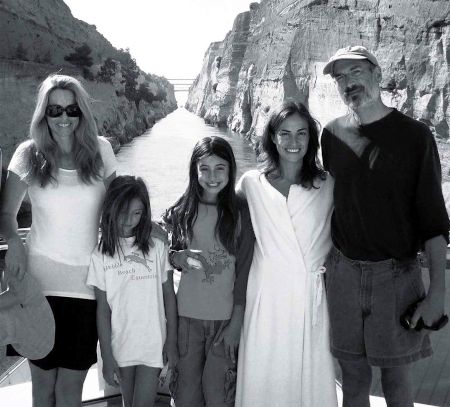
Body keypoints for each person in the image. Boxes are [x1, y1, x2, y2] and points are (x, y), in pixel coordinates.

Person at [321, 45, 449, 407]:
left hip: (396, 276)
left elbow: (434, 221)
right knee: (353, 377)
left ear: (378, 74)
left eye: (356, 72)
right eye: (340, 77)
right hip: (343, 274)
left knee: (396, 379)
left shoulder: (415, 137)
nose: (348, 83)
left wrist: (436, 295)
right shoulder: (331, 134)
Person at [0, 74, 116, 407]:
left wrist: (151, 229)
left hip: (86, 287)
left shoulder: (101, 150)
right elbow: (6, 214)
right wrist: (15, 243)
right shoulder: (28, 154)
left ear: (82, 112)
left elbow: (121, 206)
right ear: (44, 114)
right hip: (38, 289)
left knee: (69, 391)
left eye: (71, 109)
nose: (63, 117)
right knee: (43, 390)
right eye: (54, 110)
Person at [235, 101, 337, 407]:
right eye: (285, 133)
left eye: (301, 133)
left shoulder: (327, 185)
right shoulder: (252, 184)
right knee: (265, 375)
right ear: (272, 137)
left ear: (311, 138)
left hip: (309, 297)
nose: (294, 141)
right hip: (265, 297)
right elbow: (214, 207)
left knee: (309, 381)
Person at [162, 136, 254, 407]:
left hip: (224, 323)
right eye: (204, 169)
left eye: (219, 168)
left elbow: (244, 273)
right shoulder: (183, 210)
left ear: (231, 169)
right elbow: (168, 256)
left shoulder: (241, 212)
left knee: (218, 395)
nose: (212, 177)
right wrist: (176, 258)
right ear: (195, 170)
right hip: (186, 320)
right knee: (186, 396)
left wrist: (236, 324)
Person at [86, 175, 178, 407]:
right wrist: (106, 355)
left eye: (137, 213)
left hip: (153, 343)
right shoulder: (100, 255)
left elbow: (169, 296)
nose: (129, 220)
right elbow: (103, 310)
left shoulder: (157, 247)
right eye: (123, 212)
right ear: (111, 208)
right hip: (120, 345)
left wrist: (172, 340)